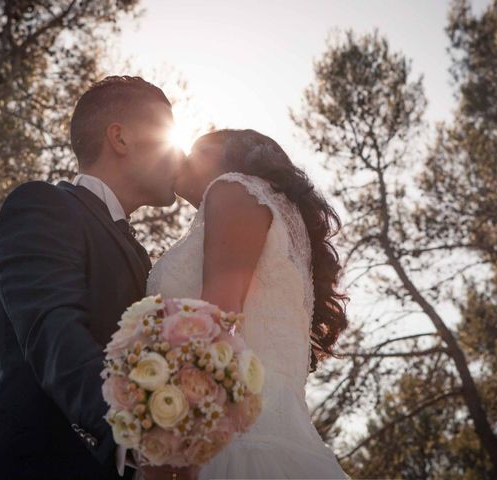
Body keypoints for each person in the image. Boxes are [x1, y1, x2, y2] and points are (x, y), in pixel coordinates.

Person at [0, 76, 182, 479]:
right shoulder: (41, 205)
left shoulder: (140, 254)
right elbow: (56, 335)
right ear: (119, 138)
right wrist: (143, 437)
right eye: (167, 136)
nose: (180, 156)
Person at [144, 129, 350, 479]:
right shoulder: (275, 216)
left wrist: (173, 440)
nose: (183, 156)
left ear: (229, 158)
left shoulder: (234, 190)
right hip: (280, 426)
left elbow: (215, 318)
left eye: (199, 149)